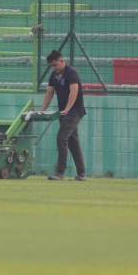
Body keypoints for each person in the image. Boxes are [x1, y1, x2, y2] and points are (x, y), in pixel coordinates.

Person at [40, 50, 87, 181]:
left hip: (74, 111)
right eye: (52, 66)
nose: (54, 68)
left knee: (62, 138)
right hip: (64, 112)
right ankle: (82, 174)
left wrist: (67, 109)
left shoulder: (71, 73)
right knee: (73, 142)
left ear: (62, 61)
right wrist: (42, 110)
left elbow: (74, 92)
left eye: (55, 65)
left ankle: (60, 173)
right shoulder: (54, 75)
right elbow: (49, 93)